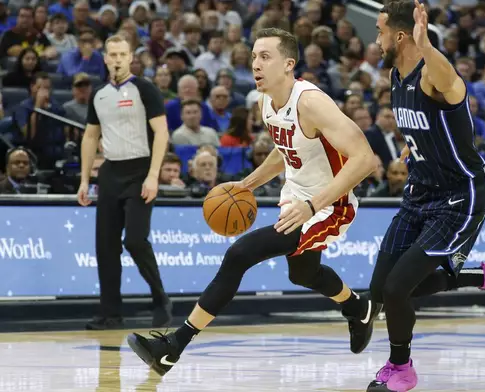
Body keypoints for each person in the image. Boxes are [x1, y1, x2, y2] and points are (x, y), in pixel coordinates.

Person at [126, 27, 381, 376]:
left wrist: (311, 206)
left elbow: (366, 160)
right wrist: (247, 183)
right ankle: (358, 307)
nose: (255, 63)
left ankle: (173, 346)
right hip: (297, 196)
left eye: (265, 56)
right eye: (253, 56)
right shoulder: (265, 101)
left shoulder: (311, 102)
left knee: (239, 254)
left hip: (329, 203)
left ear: (288, 64)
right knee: (303, 273)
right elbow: (284, 149)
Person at [356, 1, 485, 390]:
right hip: (419, 193)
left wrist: (427, 45)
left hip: (458, 197)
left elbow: (452, 85)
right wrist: (417, 146)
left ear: (399, 35)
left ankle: (401, 369)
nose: (374, 40)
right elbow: (426, 126)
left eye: (378, 32)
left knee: (397, 290)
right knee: (380, 291)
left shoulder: (431, 74)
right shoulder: (396, 74)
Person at [76, 34, 173, 330]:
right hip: (110, 173)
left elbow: (162, 133)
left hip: (141, 170)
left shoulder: (145, 89)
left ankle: (161, 299)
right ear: (105, 58)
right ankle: (110, 313)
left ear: (131, 57)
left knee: (134, 240)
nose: (117, 59)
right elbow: (91, 136)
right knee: (105, 246)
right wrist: (83, 180)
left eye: (122, 54)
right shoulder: (100, 95)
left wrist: (154, 175)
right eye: (112, 54)